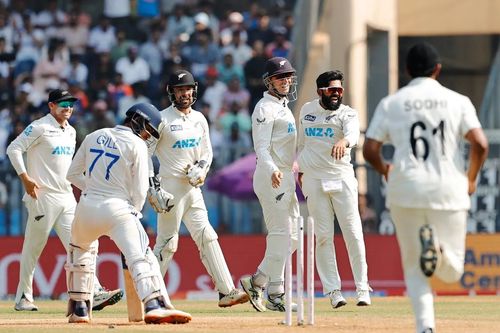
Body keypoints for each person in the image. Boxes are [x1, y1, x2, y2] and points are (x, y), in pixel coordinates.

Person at [363, 42, 489, 333]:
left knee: (413, 266)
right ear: (438, 69)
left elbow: (370, 148)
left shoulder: (392, 102)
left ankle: (425, 328)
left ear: (407, 71)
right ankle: (440, 253)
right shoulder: (457, 100)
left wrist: (385, 169)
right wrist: (469, 179)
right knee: (453, 270)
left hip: (405, 187)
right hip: (449, 189)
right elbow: (480, 144)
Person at [65, 103, 192, 324]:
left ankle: (80, 309)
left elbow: (72, 174)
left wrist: (94, 189)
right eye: (148, 130)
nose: (147, 136)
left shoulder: (95, 135)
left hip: (86, 208)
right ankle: (153, 304)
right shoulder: (137, 144)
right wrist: (133, 210)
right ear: (138, 120)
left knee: (80, 251)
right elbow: (141, 190)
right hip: (118, 209)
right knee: (140, 256)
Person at [6, 89, 123, 312]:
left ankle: (94, 291)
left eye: (71, 103)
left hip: (66, 196)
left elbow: (69, 169)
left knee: (80, 244)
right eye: (63, 103)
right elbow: (14, 149)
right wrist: (25, 179)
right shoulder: (40, 127)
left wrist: (90, 187)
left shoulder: (70, 131)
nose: (68, 107)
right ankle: (23, 297)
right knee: (34, 248)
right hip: (42, 195)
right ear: (51, 106)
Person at [148, 69, 249, 308]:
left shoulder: (200, 118)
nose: (185, 93)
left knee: (208, 236)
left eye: (188, 89)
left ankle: (226, 291)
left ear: (194, 90)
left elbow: (207, 151)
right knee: (167, 243)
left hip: (193, 188)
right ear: (171, 92)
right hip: (170, 188)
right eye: (180, 89)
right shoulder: (161, 119)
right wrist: (153, 187)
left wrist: (202, 168)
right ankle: (150, 297)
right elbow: (144, 154)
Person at [296, 70, 371, 309]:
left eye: (340, 90)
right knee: (324, 236)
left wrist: (344, 141)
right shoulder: (307, 111)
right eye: (332, 90)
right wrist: (299, 169)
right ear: (320, 91)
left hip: (340, 178)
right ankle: (333, 292)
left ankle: (362, 289)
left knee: (353, 233)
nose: (337, 94)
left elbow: (352, 136)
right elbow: (300, 144)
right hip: (314, 180)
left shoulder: (348, 113)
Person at [239, 57, 299, 312]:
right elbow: (261, 148)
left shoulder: (283, 107)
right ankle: (272, 291)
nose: (286, 81)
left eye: (288, 77)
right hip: (269, 176)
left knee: (294, 236)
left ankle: (262, 284)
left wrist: (291, 165)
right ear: (269, 81)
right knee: (280, 235)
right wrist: (274, 169)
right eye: (280, 77)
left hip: (285, 176)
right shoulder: (264, 108)